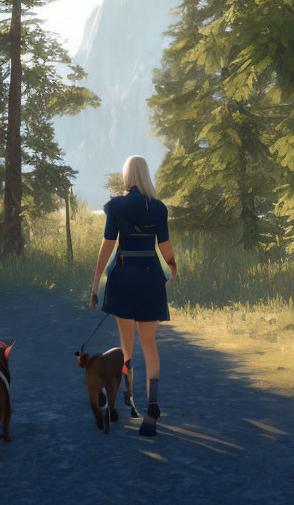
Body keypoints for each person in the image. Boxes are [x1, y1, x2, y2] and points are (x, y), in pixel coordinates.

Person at [89, 155, 177, 437]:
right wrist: (172, 268)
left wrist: (95, 283)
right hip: (151, 278)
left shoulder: (116, 206)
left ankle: (125, 398)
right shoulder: (158, 208)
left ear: (127, 176)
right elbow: (165, 247)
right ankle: (152, 406)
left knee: (127, 347)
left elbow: (107, 245)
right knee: (149, 345)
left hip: (124, 278)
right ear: (147, 175)